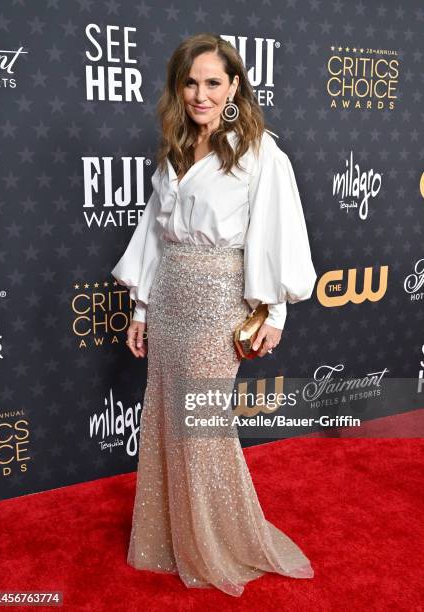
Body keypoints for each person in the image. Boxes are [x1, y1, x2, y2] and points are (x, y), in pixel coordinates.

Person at [111, 33, 317, 597]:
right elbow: (156, 237)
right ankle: (173, 537)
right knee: (167, 421)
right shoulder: (175, 148)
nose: (200, 94)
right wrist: (141, 308)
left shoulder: (257, 152)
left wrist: (273, 312)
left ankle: (219, 540)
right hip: (172, 296)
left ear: (233, 89)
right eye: (190, 82)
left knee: (201, 425)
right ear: (179, 88)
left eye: (213, 82)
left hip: (217, 302)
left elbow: (276, 232)